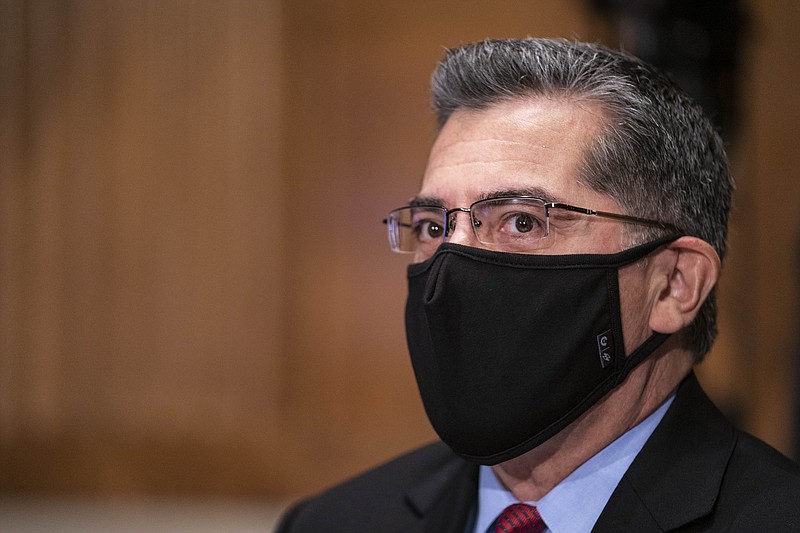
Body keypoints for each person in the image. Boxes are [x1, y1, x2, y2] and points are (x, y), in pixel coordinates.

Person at [276, 38, 800, 532]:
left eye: (522, 221)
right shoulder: (335, 521)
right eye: (434, 227)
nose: (453, 264)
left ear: (674, 285)